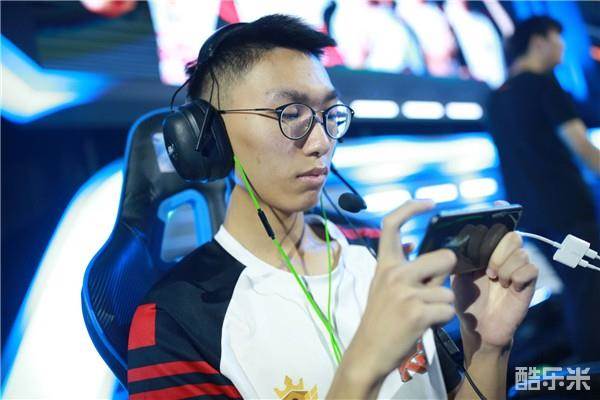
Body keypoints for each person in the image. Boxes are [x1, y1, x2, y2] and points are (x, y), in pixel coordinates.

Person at [127, 14, 538, 399]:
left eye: (329, 114)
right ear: (210, 137)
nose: (322, 142)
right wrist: (365, 362)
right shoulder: (172, 320)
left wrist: (488, 349)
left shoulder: (377, 250)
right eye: (290, 114)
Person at [487, 16, 600, 363]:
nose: (562, 47)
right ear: (539, 42)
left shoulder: (497, 97)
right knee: (588, 289)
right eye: (557, 39)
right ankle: (592, 368)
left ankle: (584, 364)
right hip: (568, 212)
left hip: (532, 219)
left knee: (576, 288)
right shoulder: (544, 85)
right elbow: (582, 146)